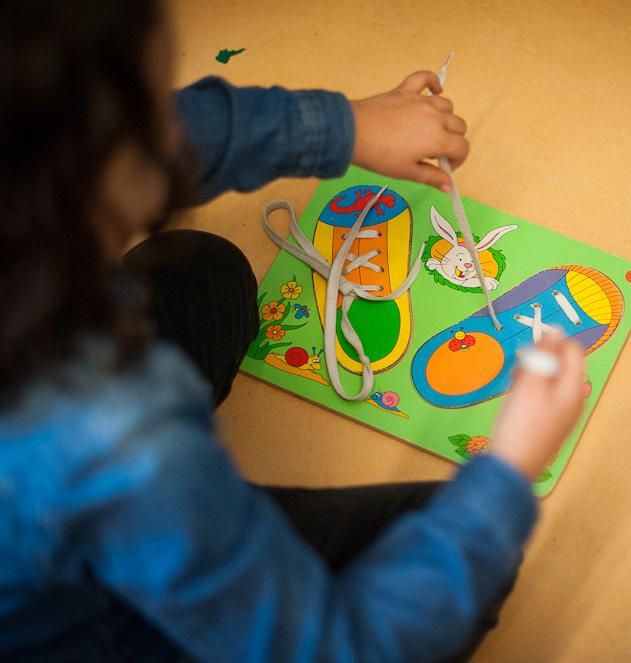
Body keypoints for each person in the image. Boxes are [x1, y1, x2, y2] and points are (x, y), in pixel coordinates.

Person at [0, 0, 585, 661]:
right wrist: (509, 467)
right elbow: (337, 647)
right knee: (461, 533)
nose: (177, 124)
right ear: (89, 169)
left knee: (204, 272)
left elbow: (177, 134)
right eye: (157, 111)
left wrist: (345, 126)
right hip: (108, 623)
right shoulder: (120, 436)